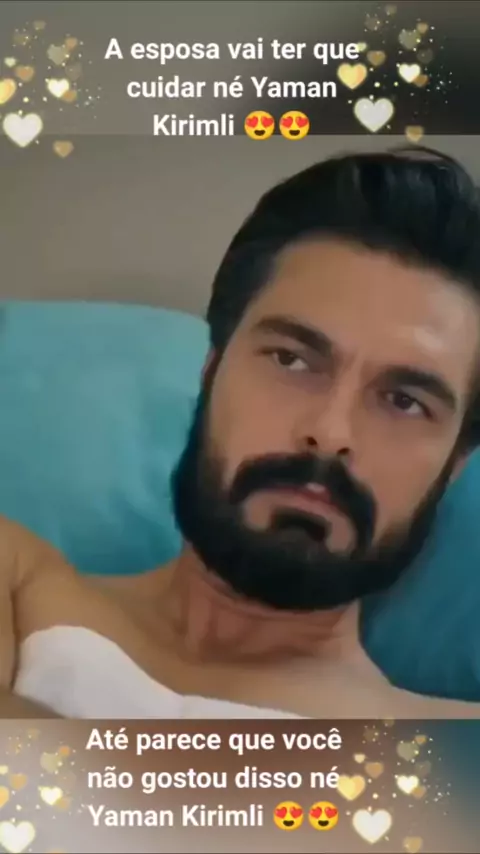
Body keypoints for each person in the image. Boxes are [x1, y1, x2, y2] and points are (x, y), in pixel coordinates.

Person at [4, 145, 480, 718]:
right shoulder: (15, 579)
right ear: (211, 370)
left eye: (404, 401)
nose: (329, 432)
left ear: (455, 463)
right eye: (292, 360)